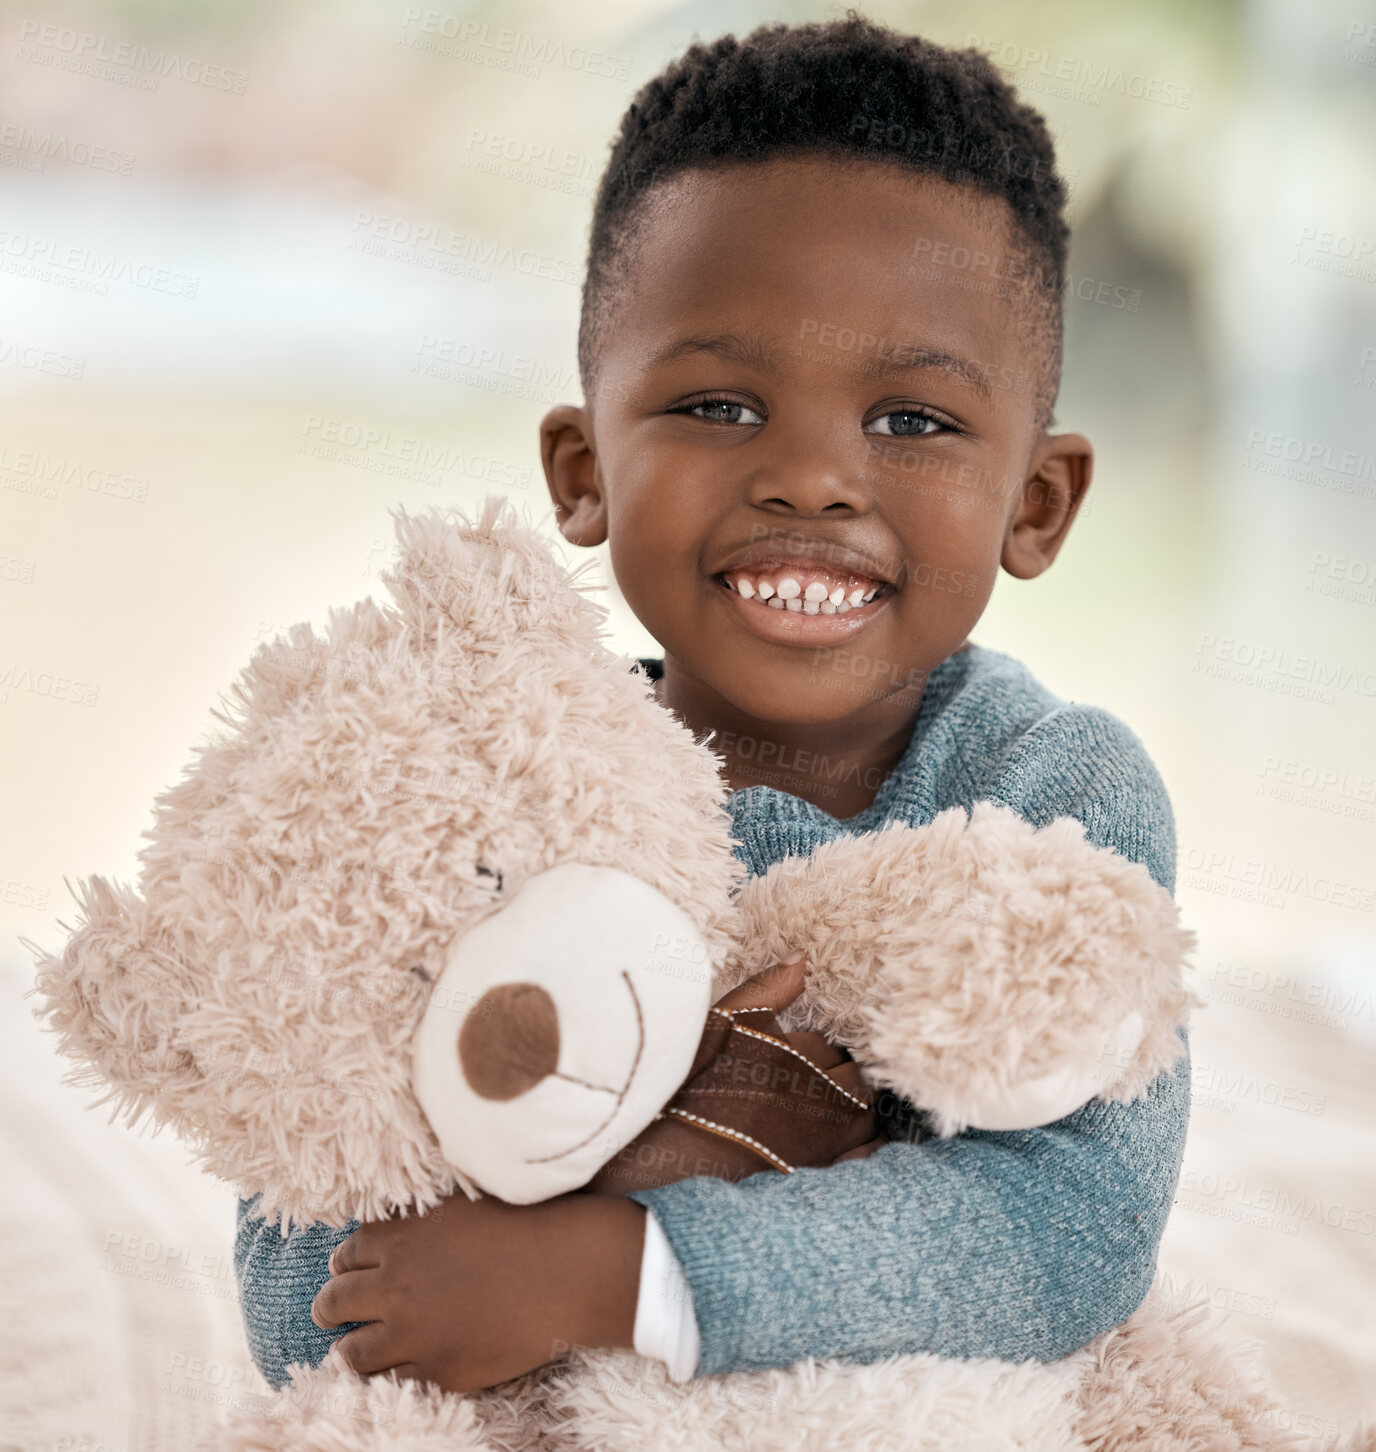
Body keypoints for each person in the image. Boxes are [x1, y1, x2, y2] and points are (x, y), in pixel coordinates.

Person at [235, 12, 1190, 1399]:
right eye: (720, 405)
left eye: (913, 421)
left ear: (1034, 504)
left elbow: (1069, 1234)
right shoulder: (468, 800)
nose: (811, 476)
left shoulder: (1055, 797)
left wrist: (614, 1265)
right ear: (582, 470)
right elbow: (301, 1298)